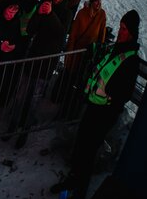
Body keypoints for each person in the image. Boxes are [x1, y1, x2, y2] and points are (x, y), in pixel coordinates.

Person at [51, 10, 141, 198]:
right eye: (120, 27)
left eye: (124, 29)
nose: (120, 31)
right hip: (94, 106)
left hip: (105, 113)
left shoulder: (131, 59)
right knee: (81, 146)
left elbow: (125, 92)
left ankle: (80, 191)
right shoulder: (116, 49)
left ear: (131, 31)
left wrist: (109, 96)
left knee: (88, 152)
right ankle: (72, 181)